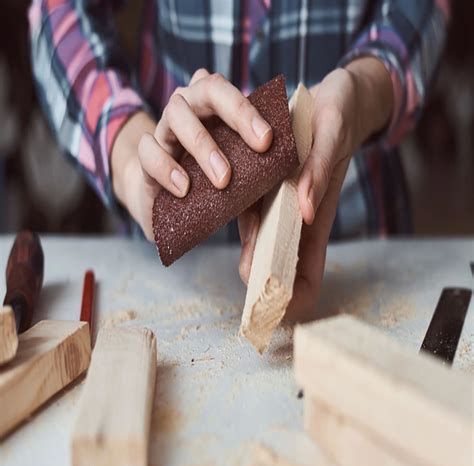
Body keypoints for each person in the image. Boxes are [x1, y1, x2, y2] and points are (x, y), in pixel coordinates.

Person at [29, 0, 449, 318]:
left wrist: (365, 88)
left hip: (360, 254)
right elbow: (59, 12)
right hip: (168, 285)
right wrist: (129, 156)